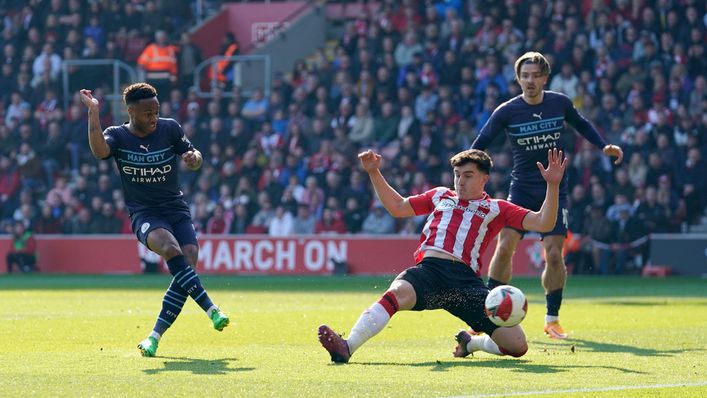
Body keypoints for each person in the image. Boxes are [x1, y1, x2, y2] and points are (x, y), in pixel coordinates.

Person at [318, 147, 567, 363]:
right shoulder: (440, 195)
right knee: (396, 293)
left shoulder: (496, 208)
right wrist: (374, 172)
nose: (460, 181)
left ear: (484, 179)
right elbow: (397, 207)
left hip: (465, 283)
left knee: (517, 346)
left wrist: (553, 185)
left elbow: (544, 223)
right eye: (457, 175)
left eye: (468, 176)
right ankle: (347, 346)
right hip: (430, 272)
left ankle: (472, 343)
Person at [471, 52, 624, 339]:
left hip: (553, 189)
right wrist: (466, 165)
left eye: (535, 75)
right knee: (505, 247)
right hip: (521, 190)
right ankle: (486, 315)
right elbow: (480, 143)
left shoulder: (560, 103)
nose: (530, 81)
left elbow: (582, 124)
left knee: (554, 255)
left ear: (544, 78)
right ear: (518, 79)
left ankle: (552, 319)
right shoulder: (507, 111)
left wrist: (604, 146)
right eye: (524, 76)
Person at [78, 83, 230, 357]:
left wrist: (194, 158)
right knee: (171, 249)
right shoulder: (118, 136)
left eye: (156, 111)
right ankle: (211, 309)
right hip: (144, 212)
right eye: (148, 113)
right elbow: (100, 152)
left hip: (175, 208)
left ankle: (154, 337)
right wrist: (94, 112)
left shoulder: (169, 128)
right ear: (131, 111)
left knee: (189, 261)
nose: (154, 118)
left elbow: (194, 157)